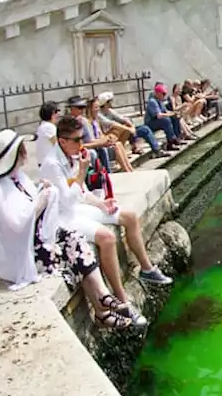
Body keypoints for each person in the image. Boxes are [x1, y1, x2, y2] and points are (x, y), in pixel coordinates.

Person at [0, 129, 141, 328]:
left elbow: (33, 206)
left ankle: (102, 298)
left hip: (38, 238)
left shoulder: (20, 178)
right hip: (23, 252)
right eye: (22, 149)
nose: (26, 153)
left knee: (74, 238)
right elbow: (15, 224)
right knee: (70, 249)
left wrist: (41, 191)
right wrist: (40, 201)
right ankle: (102, 308)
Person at [43, 115, 173, 289]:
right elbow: (67, 201)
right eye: (77, 140)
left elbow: (83, 193)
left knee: (129, 217)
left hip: (77, 208)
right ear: (62, 141)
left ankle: (147, 269)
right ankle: (121, 298)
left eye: (82, 138)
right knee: (107, 238)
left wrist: (101, 204)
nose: (81, 144)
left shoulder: (71, 154)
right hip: (62, 217)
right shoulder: (52, 164)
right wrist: (82, 173)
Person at [97, 92, 167, 159]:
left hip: (123, 132)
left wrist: (132, 127)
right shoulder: (99, 114)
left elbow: (123, 118)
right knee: (123, 128)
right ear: (106, 103)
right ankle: (132, 148)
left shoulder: (110, 111)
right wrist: (129, 129)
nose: (112, 103)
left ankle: (157, 150)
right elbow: (111, 123)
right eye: (110, 101)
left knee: (144, 129)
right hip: (109, 135)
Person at [145, 83, 187, 150]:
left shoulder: (159, 100)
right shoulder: (152, 101)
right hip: (151, 123)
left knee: (175, 117)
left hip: (157, 121)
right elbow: (159, 115)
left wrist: (174, 113)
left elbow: (166, 111)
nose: (164, 96)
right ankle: (170, 143)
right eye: (163, 94)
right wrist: (170, 114)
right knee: (166, 120)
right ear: (158, 93)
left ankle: (177, 137)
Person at [33, 100, 59, 167]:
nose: (58, 114)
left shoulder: (44, 125)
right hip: (49, 164)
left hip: (45, 163)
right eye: (56, 112)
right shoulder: (49, 127)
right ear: (51, 113)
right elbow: (58, 145)